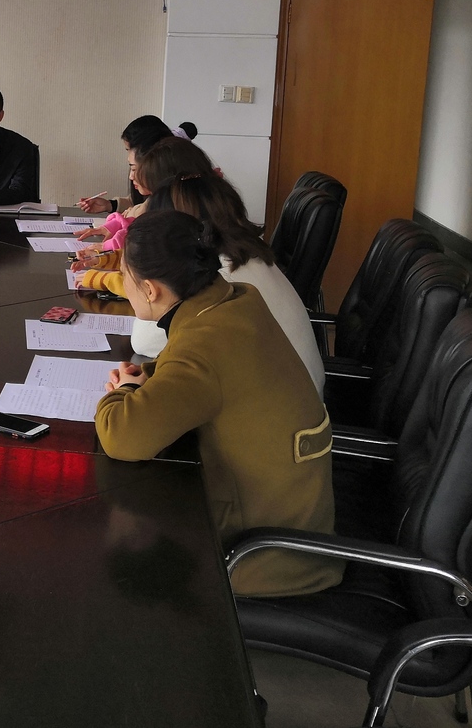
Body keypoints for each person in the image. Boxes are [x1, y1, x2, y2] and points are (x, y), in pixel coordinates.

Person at [94, 210, 341, 598]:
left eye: (125, 276)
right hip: (296, 510)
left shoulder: (204, 344)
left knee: (124, 570)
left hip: (268, 554)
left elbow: (123, 437)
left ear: (151, 290)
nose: (122, 284)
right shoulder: (235, 298)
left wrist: (121, 393)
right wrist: (152, 376)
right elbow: (210, 370)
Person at [148, 174, 325, 397]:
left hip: (283, 406)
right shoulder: (245, 256)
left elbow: (148, 343)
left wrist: (148, 270)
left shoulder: (220, 279)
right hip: (296, 397)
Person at [74, 136, 217, 359]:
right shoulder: (210, 240)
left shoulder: (201, 268)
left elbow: (146, 342)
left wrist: (104, 277)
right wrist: (105, 258)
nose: (133, 177)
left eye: (136, 169)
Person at [76, 114, 173, 216]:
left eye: (134, 169)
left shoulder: (167, 200)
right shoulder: (152, 196)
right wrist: (110, 205)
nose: (131, 176)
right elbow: (136, 201)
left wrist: (128, 216)